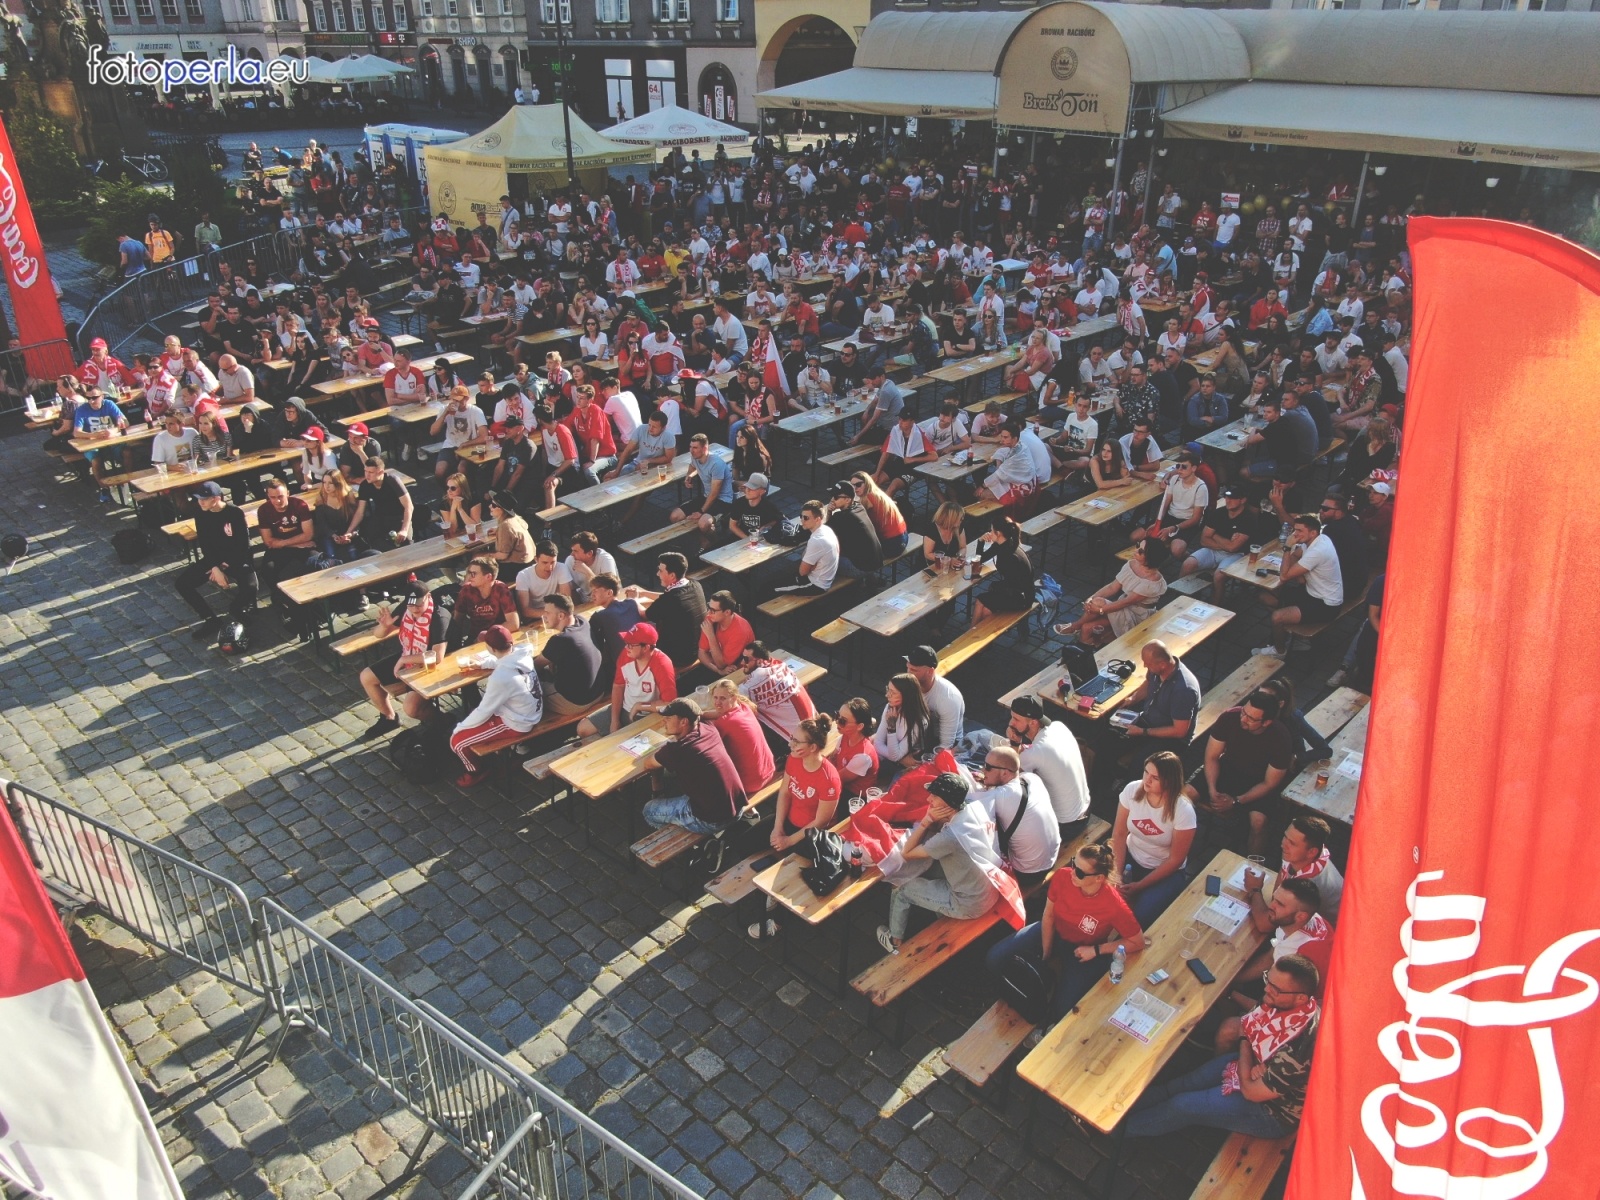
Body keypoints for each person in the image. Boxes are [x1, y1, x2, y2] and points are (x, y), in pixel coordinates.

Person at [1122, 956, 1320, 1141]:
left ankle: (1121, 1132)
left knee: (1183, 1105)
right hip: (1253, 1066)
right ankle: (1122, 1111)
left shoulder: (1299, 1047)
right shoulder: (1282, 1002)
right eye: (1268, 979)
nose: (1267, 989)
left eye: (1276, 988)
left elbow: (1252, 1092)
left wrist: (1244, 1041)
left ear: (1301, 998)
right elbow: (1253, 1023)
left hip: (1272, 1112)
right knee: (1181, 1085)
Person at [984, 842, 1145, 1021]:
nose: (1073, 872)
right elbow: (1049, 916)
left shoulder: (1114, 905)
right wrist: (1046, 953)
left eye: (1080, 872)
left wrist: (1097, 950)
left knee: (1062, 1010)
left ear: (1099, 878)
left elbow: (1137, 942)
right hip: (1054, 931)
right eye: (1074, 864)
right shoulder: (1063, 876)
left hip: (1083, 950)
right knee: (994, 958)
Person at [876, 772, 1012, 955]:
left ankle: (894, 941)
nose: (929, 798)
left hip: (969, 903)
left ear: (948, 804)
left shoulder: (950, 837)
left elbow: (906, 853)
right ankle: (938, 911)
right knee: (926, 866)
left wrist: (925, 822)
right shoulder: (974, 808)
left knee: (900, 887)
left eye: (934, 796)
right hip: (988, 888)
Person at [1190, 689, 1295, 858]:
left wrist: (1236, 802)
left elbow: (1270, 783)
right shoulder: (1230, 717)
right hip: (1228, 768)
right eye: (1244, 712)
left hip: (1258, 781)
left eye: (1251, 718)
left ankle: (1253, 863)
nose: (1243, 719)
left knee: (1259, 822)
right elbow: (1212, 757)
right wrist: (1212, 789)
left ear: (1266, 722)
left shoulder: (1281, 738)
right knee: (1184, 795)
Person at [449, 624, 543, 788]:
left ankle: (476, 771)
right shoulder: (523, 655)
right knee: (474, 716)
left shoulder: (501, 677)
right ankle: (513, 751)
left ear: (490, 648)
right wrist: (482, 664)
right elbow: (503, 661)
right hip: (531, 710)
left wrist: (460, 727)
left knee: (457, 742)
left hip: (518, 723)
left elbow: (484, 710)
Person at [1111, 751, 1198, 926]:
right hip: (1130, 857)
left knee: (1141, 916)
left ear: (1169, 781)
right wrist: (1117, 876)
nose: (1147, 780)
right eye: (1146, 772)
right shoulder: (1132, 790)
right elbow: (1119, 835)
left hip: (1164, 870)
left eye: (1155, 778)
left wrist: (1139, 886)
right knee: (1104, 895)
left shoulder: (1183, 810)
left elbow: (1175, 860)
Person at [358, 580, 452, 739]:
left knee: (411, 709)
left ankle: (442, 720)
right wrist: (385, 626)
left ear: (428, 597)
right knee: (367, 676)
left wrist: (403, 660)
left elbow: (437, 656)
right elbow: (379, 634)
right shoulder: (407, 607)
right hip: (411, 654)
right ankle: (389, 718)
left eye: (418, 605)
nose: (415, 609)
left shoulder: (439, 616)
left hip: (430, 665)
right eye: (411, 605)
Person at [639, 698, 747, 835]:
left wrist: (663, 748)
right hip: (737, 807)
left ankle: (680, 840)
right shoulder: (708, 729)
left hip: (712, 820)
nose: (663, 721)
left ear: (684, 722)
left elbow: (648, 763)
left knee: (649, 810)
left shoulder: (677, 750)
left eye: (668, 718)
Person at [1253, 513, 1344, 657]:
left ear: (1313, 532)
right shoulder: (1317, 539)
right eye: (1295, 530)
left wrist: (1287, 548)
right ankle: (1290, 635)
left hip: (1326, 604)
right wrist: (1296, 571)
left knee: (1277, 617)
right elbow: (1296, 560)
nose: (1295, 534)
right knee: (1266, 597)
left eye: (1300, 531)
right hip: (1310, 592)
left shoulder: (1318, 551)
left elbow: (1284, 576)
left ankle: (1279, 651)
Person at [175, 482, 258, 640]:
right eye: (199, 499)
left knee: (251, 586)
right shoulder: (201, 513)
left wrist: (225, 565)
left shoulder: (234, 513)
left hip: (235, 558)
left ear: (216, 498)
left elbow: (242, 545)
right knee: (182, 584)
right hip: (214, 559)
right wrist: (215, 567)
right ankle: (210, 619)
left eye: (204, 499)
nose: (200, 502)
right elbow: (205, 544)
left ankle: (236, 609)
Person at [970, 745, 1060, 888]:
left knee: (976, 831)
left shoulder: (1001, 796)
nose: (982, 770)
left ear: (1005, 773)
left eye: (988, 767)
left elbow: (962, 800)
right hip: (1051, 858)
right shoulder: (1032, 779)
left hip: (1027, 873)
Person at [1053, 538, 1169, 648]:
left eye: (1141, 551)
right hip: (1123, 607)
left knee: (1097, 605)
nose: (1136, 550)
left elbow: (1126, 602)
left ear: (1150, 558)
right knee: (1087, 627)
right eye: (1138, 545)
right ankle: (1083, 650)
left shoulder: (1153, 581)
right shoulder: (1132, 564)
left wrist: (1100, 610)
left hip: (1137, 616)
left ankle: (1075, 626)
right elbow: (1112, 587)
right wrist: (1091, 598)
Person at [1178, 487, 1273, 602]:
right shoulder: (1219, 513)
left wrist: (1214, 535)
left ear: (1242, 500)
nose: (1228, 501)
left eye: (1232, 498)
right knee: (1187, 564)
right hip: (1212, 550)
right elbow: (1203, 540)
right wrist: (1226, 543)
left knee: (1219, 576)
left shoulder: (1248, 519)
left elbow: (1233, 548)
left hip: (1237, 555)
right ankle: (1182, 599)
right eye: (1227, 497)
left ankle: (1216, 604)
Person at [1248, 814, 1345, 925]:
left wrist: (1255, 889)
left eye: (1292, 843)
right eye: (1285, 837)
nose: (1283, 845)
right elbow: (1276, 894)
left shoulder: (1306, 886)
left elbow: (1266, 924)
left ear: (1311, 852)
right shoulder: (1301, 854)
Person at [1113, 641, 1203, 749]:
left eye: (1148, 664)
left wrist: (1143, 732)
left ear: (1163, 665)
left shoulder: (1183, 690)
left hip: (1172, 739)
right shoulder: (1157, 669)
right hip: (1148, 722)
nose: (1145, 665)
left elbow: (1180, 731)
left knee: (1140, 764)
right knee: (1110, 741)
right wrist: (1133, 699)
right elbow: (1148, 683)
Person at [533, 594, 606, 718]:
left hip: (577, 702)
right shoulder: (581, 621)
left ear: (561, 616)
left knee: (528, 693)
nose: (544, 616)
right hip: (599, 691)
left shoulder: (560, 640)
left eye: (547, 613)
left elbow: (535, 666)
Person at [736, 642, 818, 743]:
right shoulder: (778, 664)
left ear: (759, 661)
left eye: (746, 659)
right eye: (742, 657)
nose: (742, 663)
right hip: (815, 721)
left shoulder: (756, 678)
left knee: (750, 713)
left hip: (801, 737)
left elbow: (734, 694)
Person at [640, 551, 707, 670]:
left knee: (639, 632)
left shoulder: (670, 599)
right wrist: (643, 593)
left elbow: (645, 615)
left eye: (660, 571)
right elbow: (665, 598)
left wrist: (631, 600)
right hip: (697, 648)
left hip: (678, 658)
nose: (657, 574)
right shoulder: (695, 585)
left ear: (672, 576)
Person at [704, 678, 775, 788]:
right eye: (715, 697)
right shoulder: (745, 707)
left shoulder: (726, 722)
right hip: (769, 770)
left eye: (722, 698)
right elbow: (720, 713)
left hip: (751, 783)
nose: (717, 702)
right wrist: (702, 714)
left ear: (734, 698)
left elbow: (705, 740)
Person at [671, 432, 735, 548]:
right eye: (690, 447)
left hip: (723, 501)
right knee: (675, 516)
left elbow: (715, 492)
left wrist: (701, 511)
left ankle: (716, 544)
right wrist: (689, 476)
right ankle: (704, 540)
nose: (691, 450)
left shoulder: (716, 464)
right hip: (706, 496)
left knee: (703, 523)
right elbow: (692, 465)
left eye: (695, 448)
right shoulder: (695, 456)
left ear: (705, 448)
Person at [971, 513, 1032, 628]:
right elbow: (981, 559)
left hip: (1021, 597)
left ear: (998, 533)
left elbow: (1014, 584)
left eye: (991, 530)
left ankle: (969, 634)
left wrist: (995, 591)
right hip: (1018, 591)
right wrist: (980, 541)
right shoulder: (1005, 543)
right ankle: (979, 639)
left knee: (980, 601)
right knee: (986, 612)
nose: (989, 532)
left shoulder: (1008, 556)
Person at [345, 457, 414, 550]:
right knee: (372, 539)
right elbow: (360, 511)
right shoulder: (365, 485)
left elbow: (409, 506)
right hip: (380, 518)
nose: (367, 475)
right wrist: (349, 531)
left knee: (406, 542)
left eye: (371, 472)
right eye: (365, 471)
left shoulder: (392, 481)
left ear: (381, 472)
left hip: (399, 517)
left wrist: (404, 530)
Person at [773, 501, 840, 596]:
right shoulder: (826, 529)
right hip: (823, 577)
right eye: (801, 516)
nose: (802, 521)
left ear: (818, 519)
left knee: (770, 588)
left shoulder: (817, 540)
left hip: (816, 585)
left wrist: (810, 566)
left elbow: (803, 572)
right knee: (781, 578)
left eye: (806, 518)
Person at [873, 672, 933, 776]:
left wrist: (891, 727)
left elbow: (894, 756)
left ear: (906, 696)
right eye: (888, 690)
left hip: (905, 767)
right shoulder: (890, 707)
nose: (887, 695)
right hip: (894, 757)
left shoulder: (919, 721)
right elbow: (878, 743)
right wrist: (900, 759)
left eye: (893, 692)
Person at [904, 646, 965, 749]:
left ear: (930, 671)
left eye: (914, 670)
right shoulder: (909, 683)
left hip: (941, 740)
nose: (908, 673)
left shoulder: (948, 698)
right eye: (908, 667)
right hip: (919, 733)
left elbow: (946, 745)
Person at [826, 479, 884, 580]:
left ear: (848, 500)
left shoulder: (841, 517)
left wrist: (829, 512)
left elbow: (824, 533)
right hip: (876, 561)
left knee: (824, 559)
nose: (832, 500)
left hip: (861, 569)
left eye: (836, 497)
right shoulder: (859, 506)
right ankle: (870, 580)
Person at [454, 556, 521, 643]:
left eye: (473, 574)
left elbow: (513, 624)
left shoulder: (500, 589)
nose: (469, 577)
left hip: (498, 637)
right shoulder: (467, 590)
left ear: (488, 577)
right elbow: (457, 620)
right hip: (474, 639)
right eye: (469, 573)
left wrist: (486, 635)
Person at [832, 698, 880, 799]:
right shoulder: (845, 735)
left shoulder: (863, 756)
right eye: (837, 716)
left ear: (859, 726)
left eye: (842, 721)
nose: (836, 722)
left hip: (854, 796)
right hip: (840, 782)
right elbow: (832, 758)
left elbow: (836, 779)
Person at [697, 590, 754, 676]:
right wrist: (717, 670)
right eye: (708, 607)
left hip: (741, 672)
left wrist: (710, 635)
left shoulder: (740, 631)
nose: (708, 613)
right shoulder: (711, 619)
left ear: (727, 612)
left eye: (713, 610)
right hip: (717, 667)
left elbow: (721, 664)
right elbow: (701, 653)